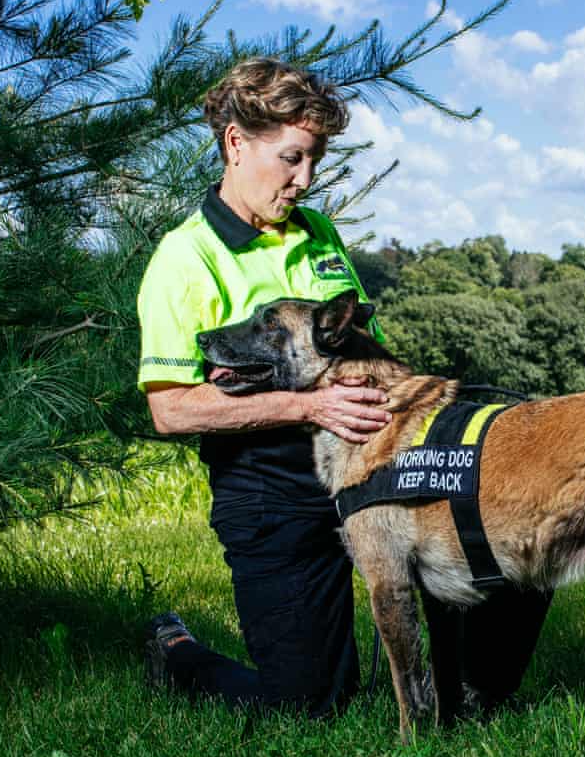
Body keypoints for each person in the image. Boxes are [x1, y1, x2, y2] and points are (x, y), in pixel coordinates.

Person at [138, 57, 551, 719]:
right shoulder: (183, 259)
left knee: (530, 513)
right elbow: (170, 409)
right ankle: (178, 654)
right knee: (308, 704)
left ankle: (471, 695)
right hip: (273, 489)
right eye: (292, 158)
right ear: (237, 143)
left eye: (315, 162)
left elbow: (365, 350)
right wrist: (308, 405)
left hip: (372, 455)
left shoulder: (317, 232)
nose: (304, 181)